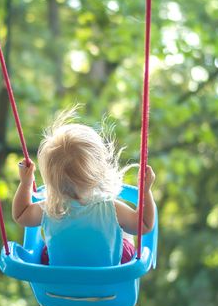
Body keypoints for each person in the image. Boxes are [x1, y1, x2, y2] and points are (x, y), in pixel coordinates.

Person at [12, 110, 156, 266]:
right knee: (126, 233)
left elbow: (21, 215)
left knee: (47, 249)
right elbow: (145, 225)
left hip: (57, 285)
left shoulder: (49, 208)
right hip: (107, 282)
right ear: (99, 170)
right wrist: (145, 191)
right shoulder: (111, 209)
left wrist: (25, 183)